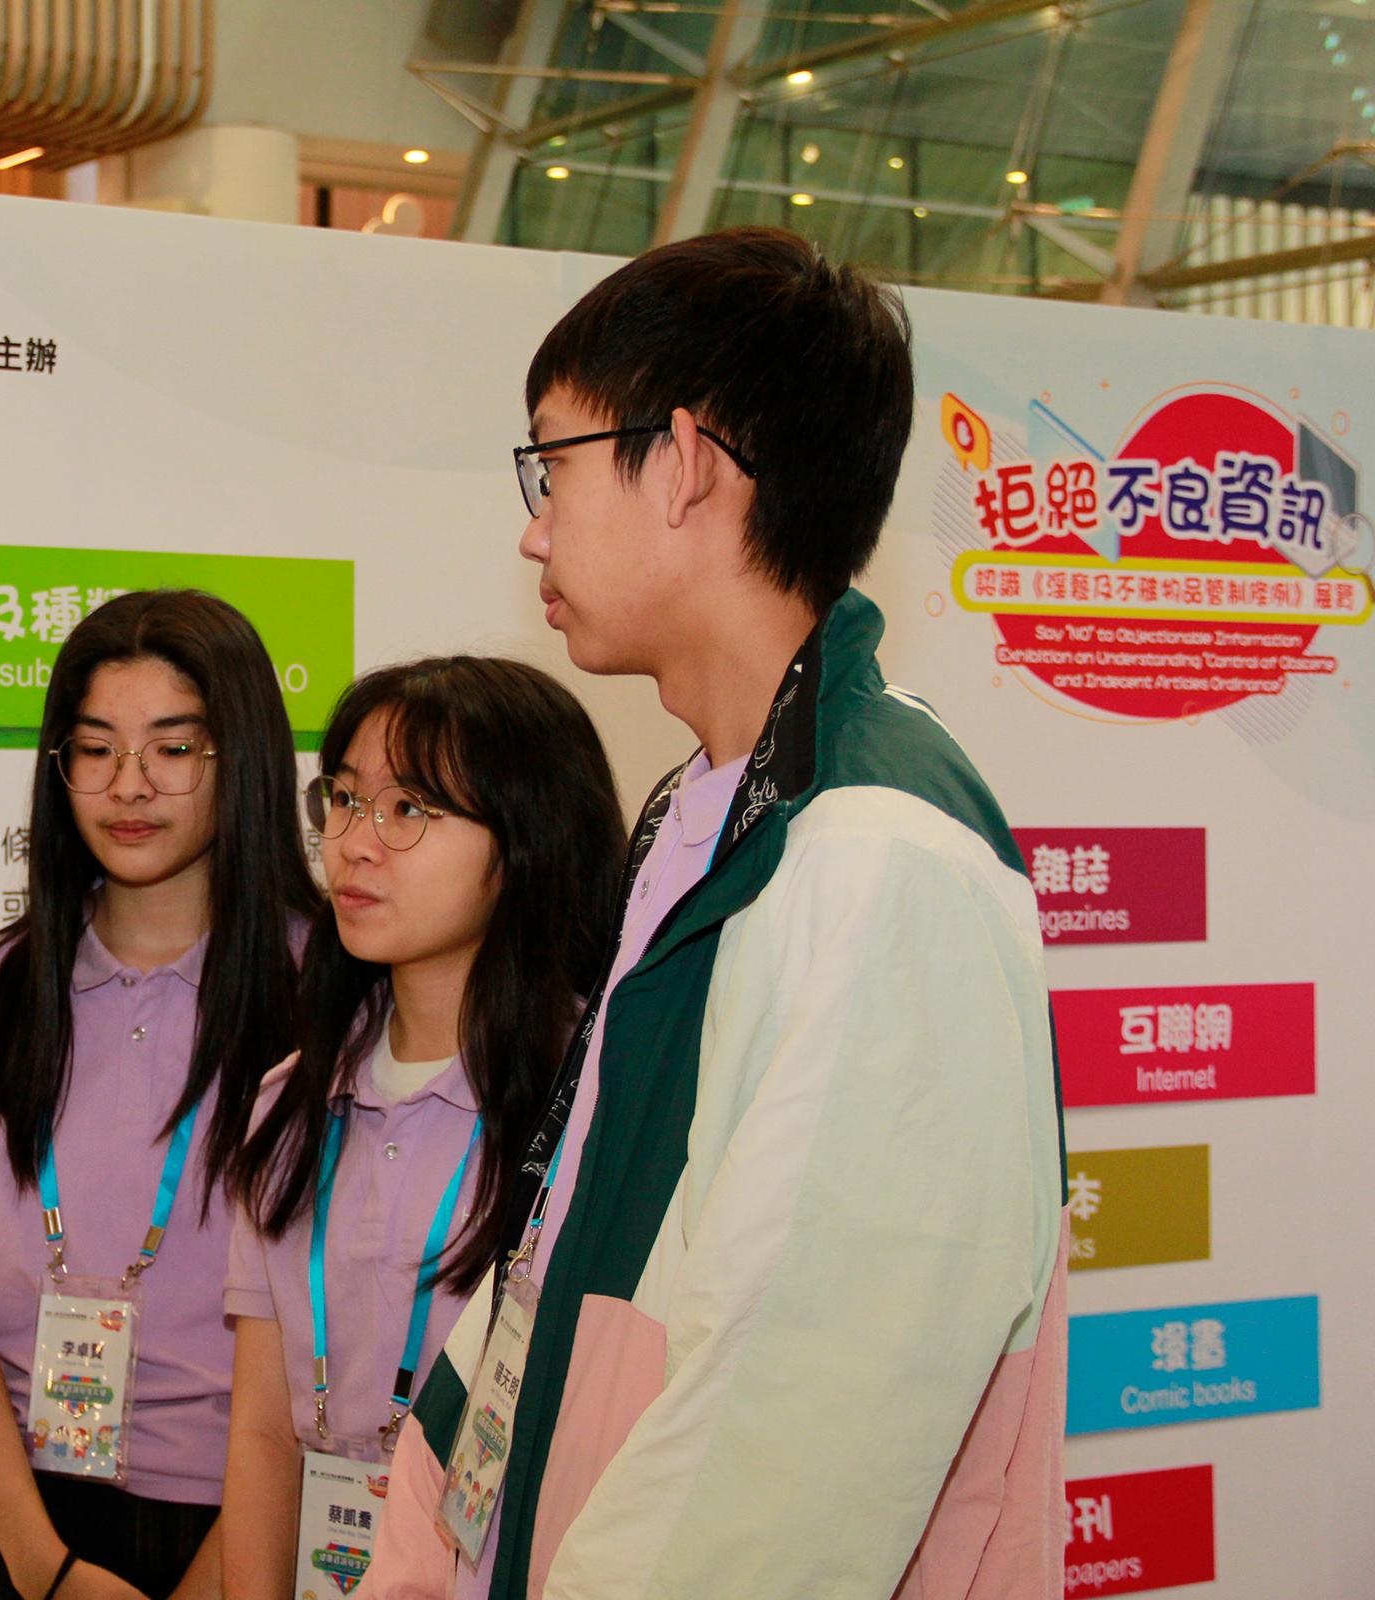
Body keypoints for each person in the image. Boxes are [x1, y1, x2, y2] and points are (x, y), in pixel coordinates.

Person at [364, 228, 1067, 1600]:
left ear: (684, 462)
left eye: (551, 467)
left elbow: (790, 1452)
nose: (532, 525)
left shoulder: (879, 852)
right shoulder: (714, 808)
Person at [0, 589, 320, 1600]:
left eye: (174, 749)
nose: (130, 785)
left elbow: (332, 1333)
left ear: (245, 759)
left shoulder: (328, 999)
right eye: (95, 749)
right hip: (22, 1515)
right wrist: (45, 1570)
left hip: (250, 1517)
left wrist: (224, 1569)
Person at [218, 657, 621, 1600]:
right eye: (346, 800)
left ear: (526, 842)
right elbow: (264, 1430)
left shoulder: (594, 1104)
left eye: (408, 811)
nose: (355, 845)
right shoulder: (288, 1104)